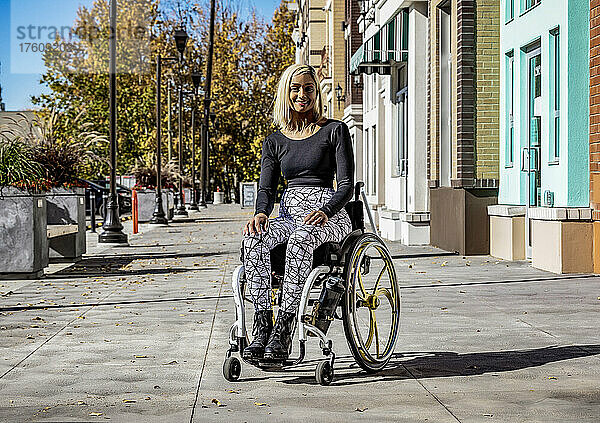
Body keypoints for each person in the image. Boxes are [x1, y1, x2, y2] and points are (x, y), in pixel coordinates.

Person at [241, 64, 354, 361]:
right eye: (295, 88)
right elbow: (266, 189)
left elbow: (346, 186)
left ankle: (285, 329)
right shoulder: (274, 141)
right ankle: (262, 326)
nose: (301, 94)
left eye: (308, 88)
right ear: (286, 93)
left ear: (316, 93)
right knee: (255, 239)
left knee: (302, 237)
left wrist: (327, 210)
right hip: (290, 216)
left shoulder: (335, 130)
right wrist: (261, 214)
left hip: (329, 215)